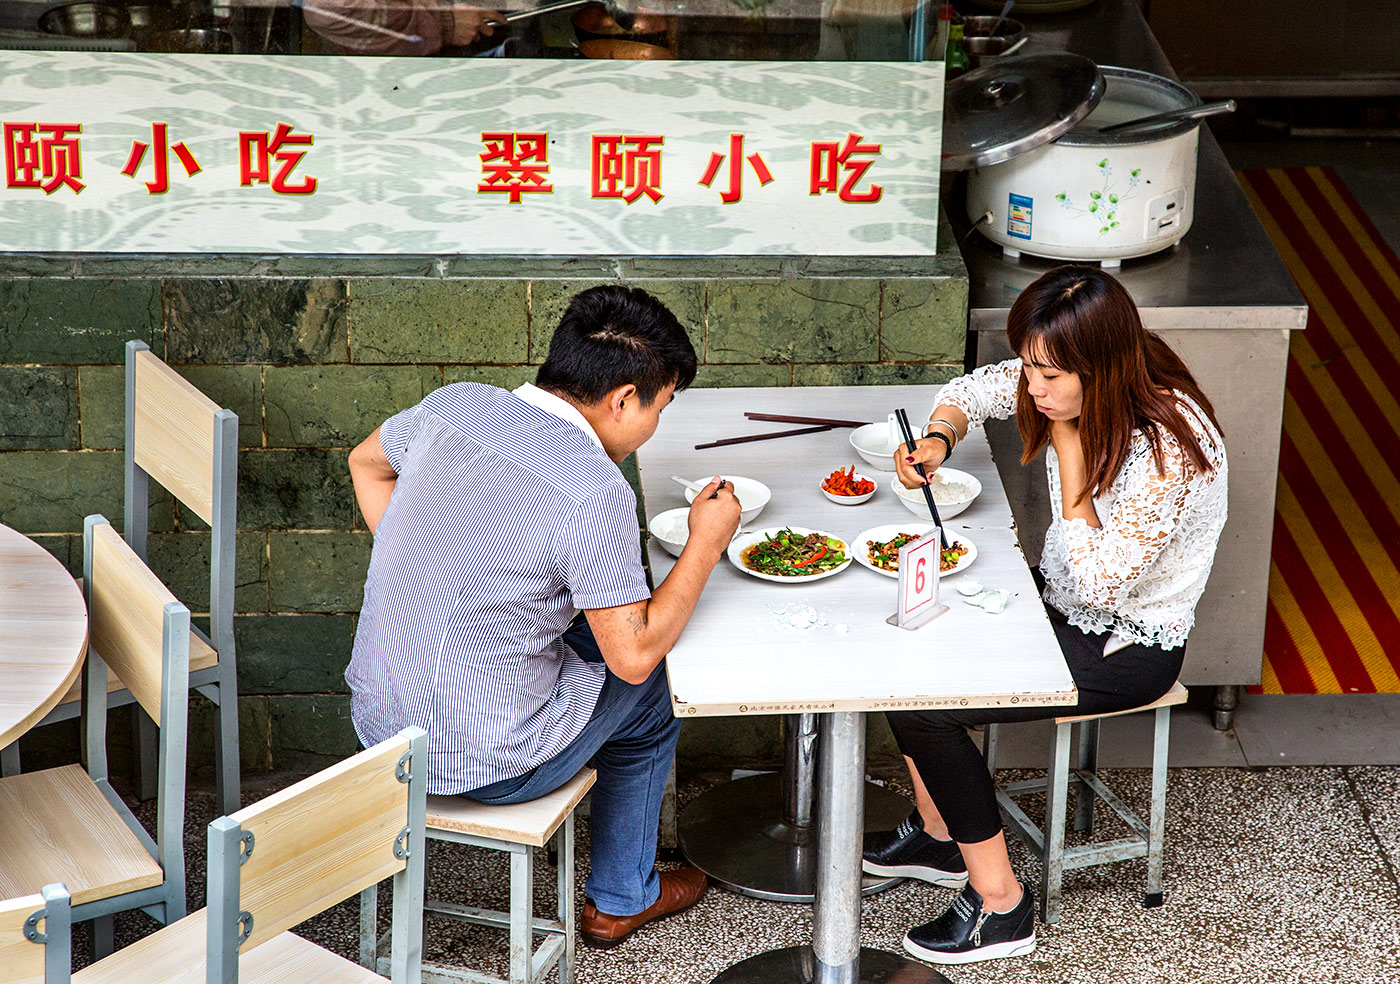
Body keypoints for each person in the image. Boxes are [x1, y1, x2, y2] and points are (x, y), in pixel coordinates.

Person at [345, 285, 741, 947]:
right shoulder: (593, 489)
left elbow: (365, 463)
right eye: (660, 407)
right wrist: (706, 540)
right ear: (622, 399)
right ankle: (623, 896)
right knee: (658, 691)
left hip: (379, 726)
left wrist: (436, 572)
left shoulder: (455, 405)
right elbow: (634, 655)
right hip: (495, 765)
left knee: (588, 622)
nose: (654, 427)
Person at [864, 265, 1229, 965]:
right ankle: (941, 836)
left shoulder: (1169, 449)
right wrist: (939, 439)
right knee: (904, 640)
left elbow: (1100, 585)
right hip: (1057, 601)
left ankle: (1002, 907)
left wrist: (1068, 451)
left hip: (1126, 644)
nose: (1034, 388)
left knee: (926, 706)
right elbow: (971, 391)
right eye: (1030, 368)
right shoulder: (1064, 379)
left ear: (1101, 364)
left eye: (1050, 377)